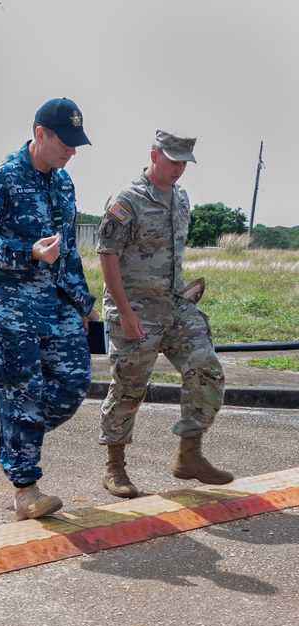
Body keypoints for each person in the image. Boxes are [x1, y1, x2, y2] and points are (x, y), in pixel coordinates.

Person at [0, 98, 99, 520]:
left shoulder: (63, 183)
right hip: (7, 309)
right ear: (40, 133)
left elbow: (69, 251)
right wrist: (28, 254)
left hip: (55, 304)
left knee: (74, 385)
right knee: (22, 397)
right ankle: (27, 492)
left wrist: (84, 304)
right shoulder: (2, 175)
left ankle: (7, 438)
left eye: (77, 144)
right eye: (66, 142)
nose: (72, 151)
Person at [96, 130, 232, 498]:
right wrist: (124, 312)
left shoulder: (181, 198)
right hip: (135, 308)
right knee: (129, 388)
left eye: (184, 162)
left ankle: (189, 454)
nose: (178, 169)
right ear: (153, 155)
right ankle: (115, 467)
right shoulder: (128, 200)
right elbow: (107, 254)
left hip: (175, 305)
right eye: (172, 160)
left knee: (206, 367)